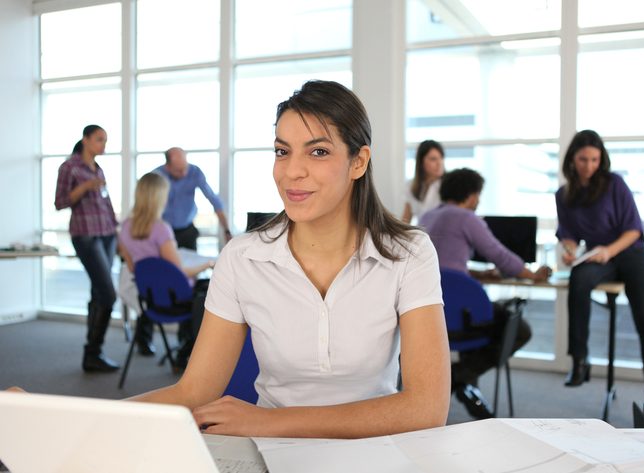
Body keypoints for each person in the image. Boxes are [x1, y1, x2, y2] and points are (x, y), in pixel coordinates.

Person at [130, 80, 450, 438]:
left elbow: (427, 407)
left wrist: (269, 421)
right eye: (283, 151)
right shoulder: (242, 257)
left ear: (358, 162)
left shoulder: (409, 253)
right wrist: (77, 417)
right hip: (271, 452)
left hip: (373, 451)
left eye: (318, 152)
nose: (291, 171)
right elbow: (193, 392)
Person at [420, 168, 551, 419]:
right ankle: (459, 378)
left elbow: (442, 266)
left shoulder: (426, 216)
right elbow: (499, 255)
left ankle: (461, 383)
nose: (478, 201)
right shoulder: (467, 218)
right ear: (471, 195)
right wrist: (531, 275)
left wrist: (477, 275)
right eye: (478, 195)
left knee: (479, 314)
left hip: (429, 314)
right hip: (462, 318)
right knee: (519, 329)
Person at [555, 129, 644, 390]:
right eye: (583, 159)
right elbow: (568, 234)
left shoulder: (614, 183)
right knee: (578, 281)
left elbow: (633, 229)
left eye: (594, 160)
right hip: (597, 257)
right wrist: (569, 250)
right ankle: (580, 360)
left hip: (630, 253)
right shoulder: (564, 195)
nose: (589, 166)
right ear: (572, 159)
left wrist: (609, 250)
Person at [117, 173, 214, 365]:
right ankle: (190, 351)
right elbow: (180, 272)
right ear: (159, 197)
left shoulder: (125, 227)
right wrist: (208, 264)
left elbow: (133, 267)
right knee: (207, 290)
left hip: (150, 300)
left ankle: (185, 350)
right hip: (176, 300)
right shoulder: (161, 229)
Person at [54, 124, 119, 372]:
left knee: (98, 292)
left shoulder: (98, 168)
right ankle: (92, 351)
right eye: (100, 140)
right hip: (85, 235)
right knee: (108, 293)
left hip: (107, 234)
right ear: (86, 140)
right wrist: (84, 187)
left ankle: (93, 355)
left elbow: (106, 203)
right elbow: (60, 202)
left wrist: (116, 230)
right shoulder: (69, 167)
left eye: (105, 140)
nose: (104, 144)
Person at [155, 147, 232, 251]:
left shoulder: (194, 172)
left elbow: (214, 200)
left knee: (192, 263)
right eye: (178, 170)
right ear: (167, 167)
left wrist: (226, 229)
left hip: (187, 230)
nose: (184, 174)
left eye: (185, 168)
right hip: (163, 230)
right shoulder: (156, 176)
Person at [401, 139, 444, 223]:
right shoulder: (411, 186)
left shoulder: (448, 185)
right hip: (423, 234)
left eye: (441, 158)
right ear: (421, 162)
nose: (439, 163)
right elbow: (405, 220)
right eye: (433, 159)